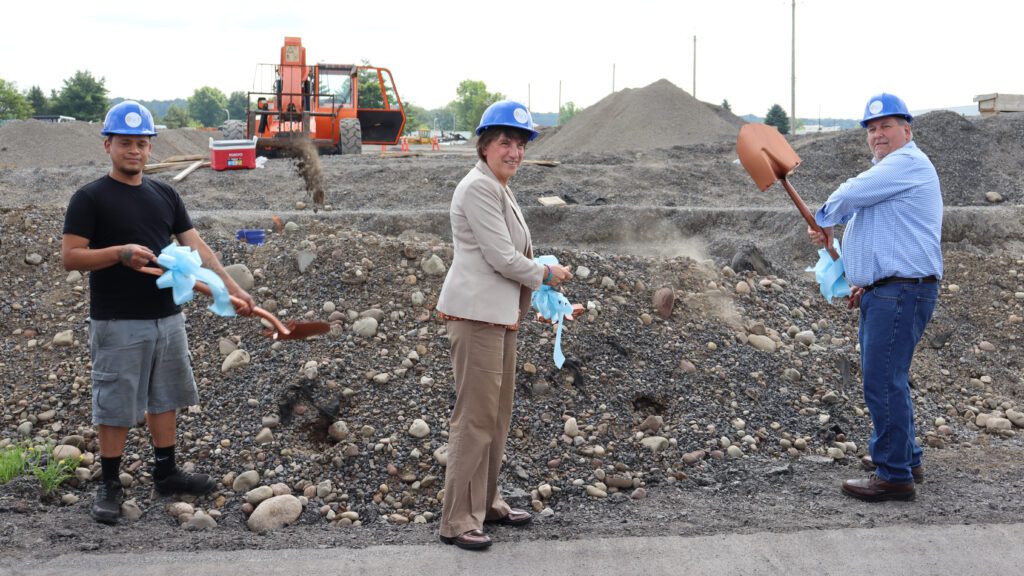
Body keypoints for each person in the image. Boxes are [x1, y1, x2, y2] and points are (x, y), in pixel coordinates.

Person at [61, 101, 256, 524]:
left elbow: (197, 248)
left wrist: (235, 289)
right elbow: (71, 257)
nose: (134, 151)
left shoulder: (165, 193)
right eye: (126, 143)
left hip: (167, 317)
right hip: (116, 320)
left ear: (151, 148)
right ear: (108, 145)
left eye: (142, 144)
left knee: (164, 396)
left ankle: (165, 472)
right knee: (115, 401)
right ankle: (110, 482)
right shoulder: (90, 198)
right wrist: (119, 253)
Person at [435, 100, 573, 550]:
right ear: (485, 145)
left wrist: (544, 292)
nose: (514, 151)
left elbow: (514, 256)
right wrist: (546, 274)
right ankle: (457, 520)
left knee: (496, 416)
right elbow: (501, 258)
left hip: (499, 316)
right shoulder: (478, 188)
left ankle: (487, 503)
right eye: (504, 142)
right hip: (476, 318)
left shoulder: (498, 185)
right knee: (474, 419)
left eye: (520, 143)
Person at [808, 93, 943, 502]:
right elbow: (863, 211)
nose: (877, 134)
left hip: (901, 291)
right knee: (889, 379)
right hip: (887, 290)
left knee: (883, 382)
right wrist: (859, 273)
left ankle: (894, 476)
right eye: (871, 129)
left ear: (907, 129)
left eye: (886, 126)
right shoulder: (889, 171)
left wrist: (822, 218)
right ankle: (905, 456)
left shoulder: (906, 163)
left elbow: (849, 194)